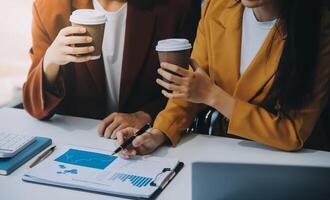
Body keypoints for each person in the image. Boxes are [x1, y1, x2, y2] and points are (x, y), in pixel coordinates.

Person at [116, 0, 330, 156]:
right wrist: (159, 133)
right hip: (219, 154)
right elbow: (192, 87)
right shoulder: (218, 7)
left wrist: (213, 96)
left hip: (286, 165)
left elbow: (292, 133)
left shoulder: (318, 27)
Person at [23, 0, 199, 138]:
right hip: (76, 142)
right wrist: (51, 61)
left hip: (145, 142)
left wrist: (145, 115)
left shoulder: (177, 7)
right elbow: (36, 108)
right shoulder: (51, 8)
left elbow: (192, 87)